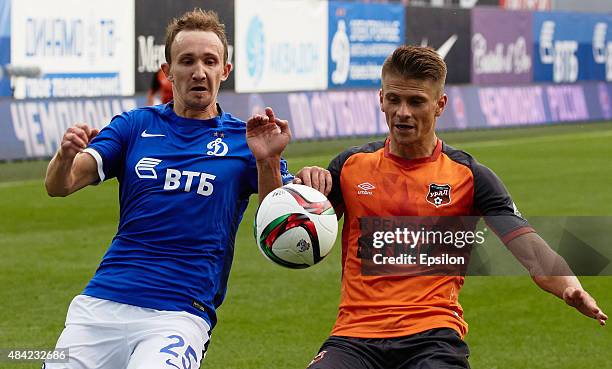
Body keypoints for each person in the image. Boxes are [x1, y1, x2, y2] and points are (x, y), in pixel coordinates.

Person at [294, 45, 607, 369]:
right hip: (353, 338)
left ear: (440, 104)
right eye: (394, 99)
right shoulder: (349, 166)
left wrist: (571, 286)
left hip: (432, 339)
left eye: (416, 101)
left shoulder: (470, 176)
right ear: (381, 98)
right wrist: (285, 173)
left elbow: (531, 250)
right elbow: (287, 231)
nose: (402, 111)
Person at [43, 8, 292, 369]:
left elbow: (277, 223)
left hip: (179, 313)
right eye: (186, 61)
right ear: (167, 72)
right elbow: (59, 185)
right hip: (102, 303)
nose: (198, 71)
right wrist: (65, 156)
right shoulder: (134, 125)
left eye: (210, 61)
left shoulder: (247, 140)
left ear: (225, 71)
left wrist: (268, 161)